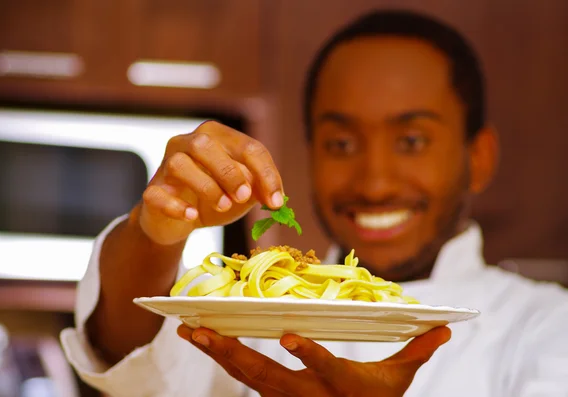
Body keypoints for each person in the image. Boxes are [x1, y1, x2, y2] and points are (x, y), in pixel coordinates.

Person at [60, 9, 568, 397]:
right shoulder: (248, 317)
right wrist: (155, 233)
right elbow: (127, 359)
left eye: (411, 141)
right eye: (341, 144)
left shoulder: (546, 324)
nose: (373, 183)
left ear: (478, 157)